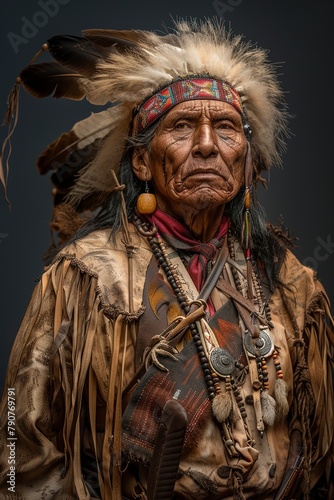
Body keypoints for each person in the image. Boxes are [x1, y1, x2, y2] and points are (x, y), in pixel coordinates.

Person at [0, 18, 333, 500]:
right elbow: (17, 450)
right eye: (181, 126)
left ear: (245, 161)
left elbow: (322, 448)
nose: (206, 145)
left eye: (224, 128)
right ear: (141, 161)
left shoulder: (291, 283)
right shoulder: (87, 277)